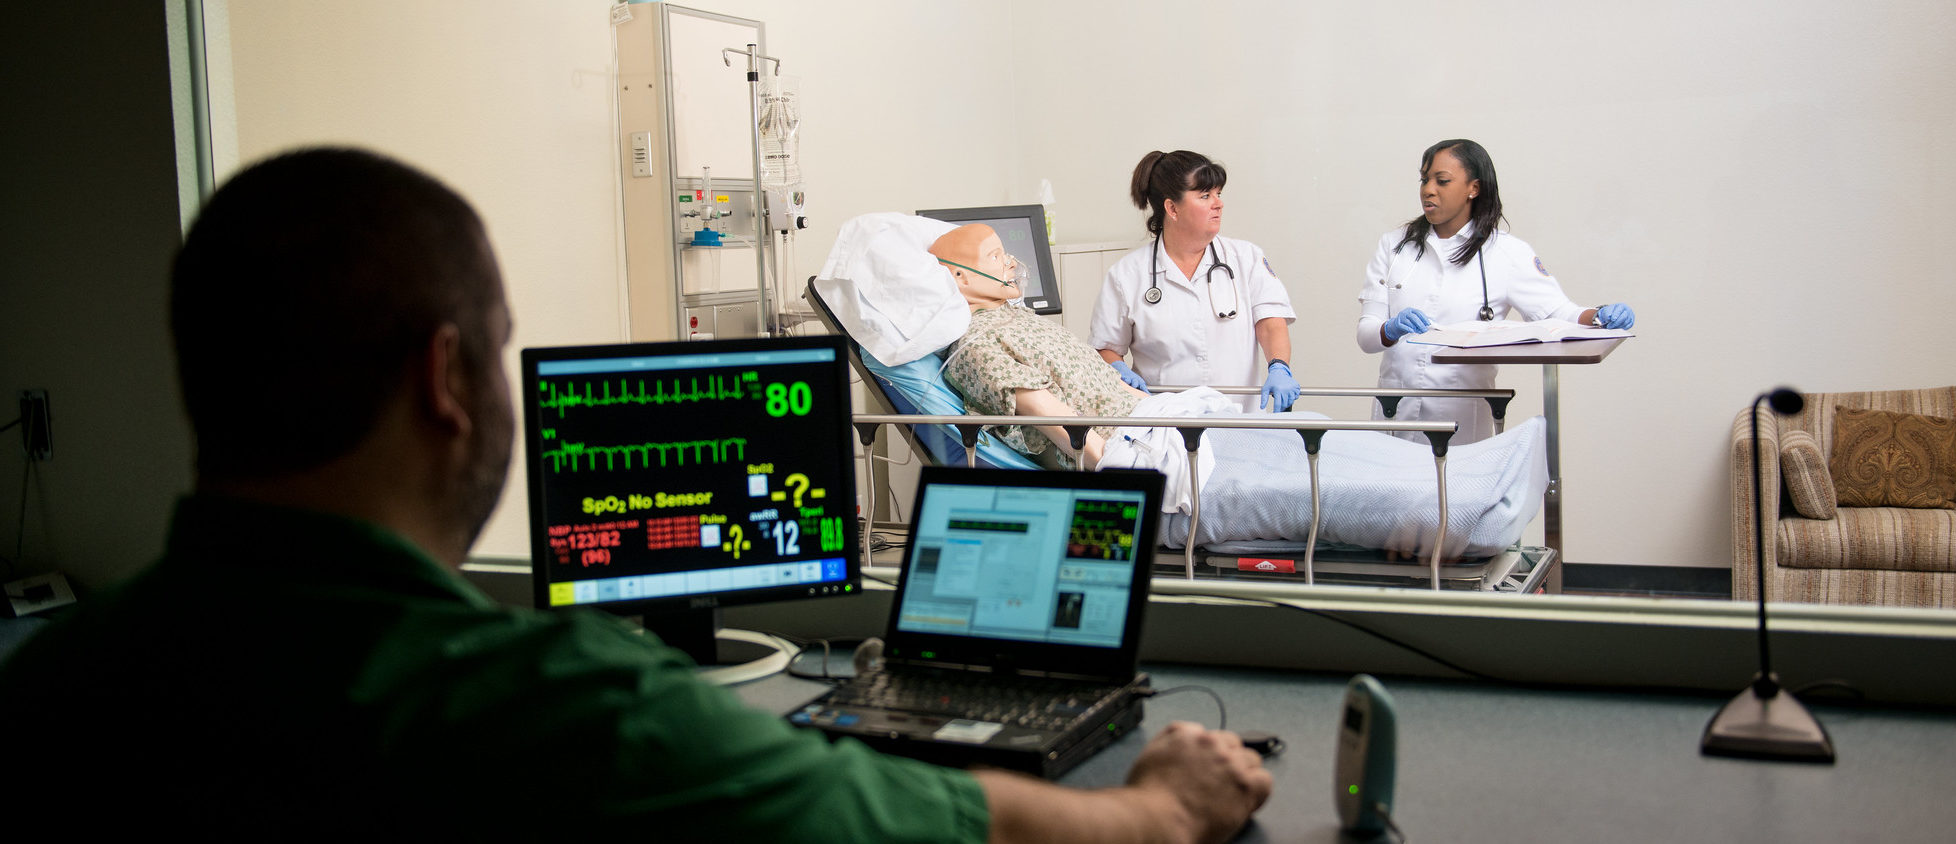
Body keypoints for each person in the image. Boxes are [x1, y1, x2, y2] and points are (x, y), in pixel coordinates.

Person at [0, 148, 1271, 840]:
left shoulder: (54, 687)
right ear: (447, 377)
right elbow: (937, 816)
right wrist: (1162, 806)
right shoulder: (566, 713)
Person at [1355, 139, 1636, 444]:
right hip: (1395, 413)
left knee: (1458, 489)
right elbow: (1367, 337)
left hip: (1461, 418)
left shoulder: (1505, 253)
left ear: (1473, 188)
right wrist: (1390, 329)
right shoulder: (1394, 247)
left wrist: (1599, 316)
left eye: (1442, 180)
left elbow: (1558, 313)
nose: (1428, 189)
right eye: (1424, 179)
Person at [1089, 150, 1300, 412]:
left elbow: (1270, 322)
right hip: (1165, 427)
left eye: (1218, 194)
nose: (1218, 203)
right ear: (1172, 208)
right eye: (1205, 196)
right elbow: (1105, 347)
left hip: (1239, 421)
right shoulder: (1127, 275)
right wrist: (1117, 369)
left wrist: (1278, 366)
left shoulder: (1246, 258)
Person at [936, 223, 1152, 471]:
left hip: (1158, 419)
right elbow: (1053, 418)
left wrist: (1166, 411)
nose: (1012, 263)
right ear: (959, 277)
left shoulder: (1019, 317)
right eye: (995, 256)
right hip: (1131, 445)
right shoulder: (976, 345)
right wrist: (1120, 470)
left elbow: (1111, 384)